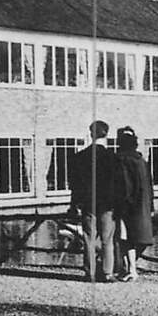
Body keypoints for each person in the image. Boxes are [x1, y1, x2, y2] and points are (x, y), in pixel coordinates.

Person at [68, 120, 118, 282]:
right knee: (107, 239)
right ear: (107, 134)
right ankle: (107, 272)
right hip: (108, 204)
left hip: (88, 203)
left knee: (89, 238)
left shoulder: (80, 157)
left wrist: (74, 204)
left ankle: (90, 272)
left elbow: (75, 185)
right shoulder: (112, 158)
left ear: (91, 134)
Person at [114, 126, 155, 282]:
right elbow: (150, 186)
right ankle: (129, 268)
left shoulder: (122, 160)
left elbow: (123, 185)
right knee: (139, 238)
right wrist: (151, 206)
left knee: (125, 238)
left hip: (127, 206)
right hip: (143, 205)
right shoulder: (142, 161)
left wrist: (122, 203)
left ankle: (129, 268)